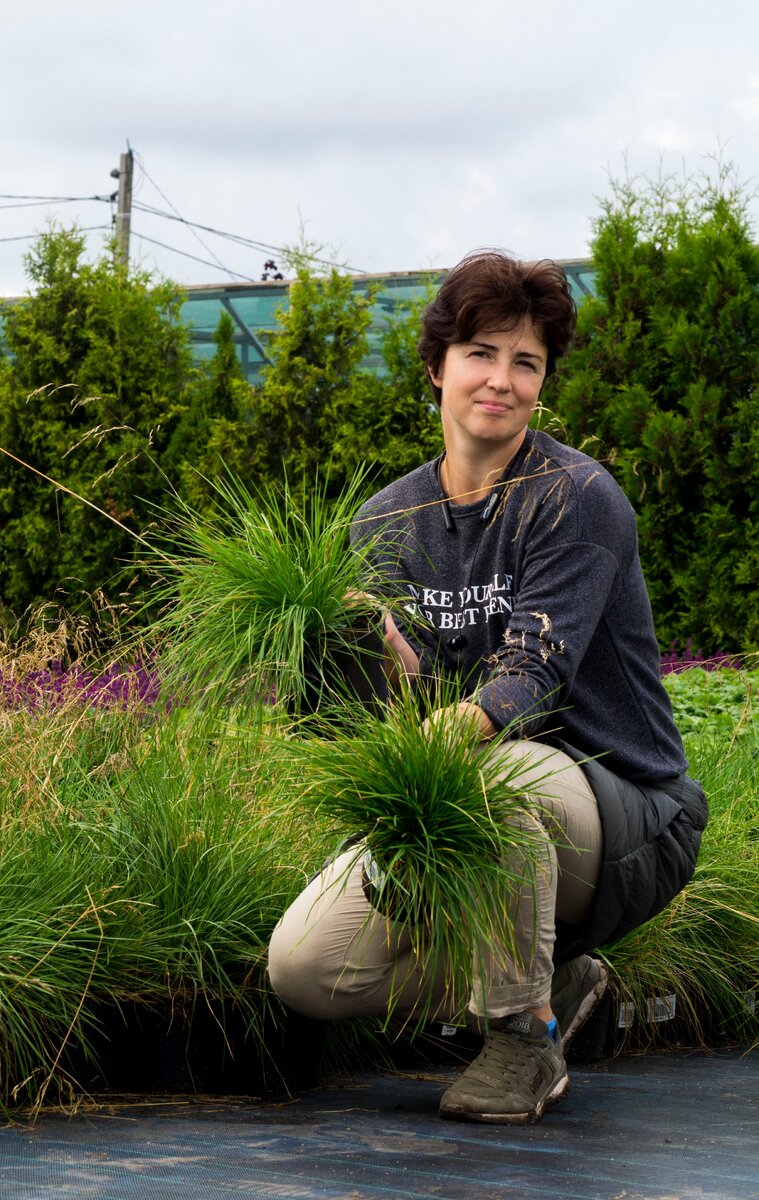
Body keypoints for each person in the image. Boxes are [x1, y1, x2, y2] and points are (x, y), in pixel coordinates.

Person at [268, 250, 708, 1125]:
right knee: (307, 970)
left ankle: (519, 1037)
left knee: (490, 776)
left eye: (525, 362)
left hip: (622, 812)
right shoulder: (386, 520)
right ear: (436, 367)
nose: (500, 380)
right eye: (480, 353)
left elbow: (530, 675)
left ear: (542, 384)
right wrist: (363, 651)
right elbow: (407, 700)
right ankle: (550, 971)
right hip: (491, 803)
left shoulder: (574, 496)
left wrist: (446, 733)